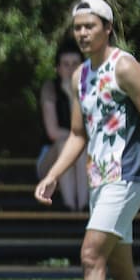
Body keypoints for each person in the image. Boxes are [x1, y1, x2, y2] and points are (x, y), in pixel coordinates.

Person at [34, 0, 140, 280]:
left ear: (107, 28)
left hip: (127, 175)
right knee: (121, 266)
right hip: (99, 179)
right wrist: (53, 175)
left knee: (92, 254)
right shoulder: (80, 76)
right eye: (77, 27)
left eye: (90, 26)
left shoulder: (125, 67)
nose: (83, 33)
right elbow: (77, 134)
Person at [37, 39, 87, 211]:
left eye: (75, 64)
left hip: (83, 155)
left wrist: (73, 94)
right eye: (66, 64)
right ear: (58, 68)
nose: (71, 69)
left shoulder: (91, 89)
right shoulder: (49, 89)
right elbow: (53, 132)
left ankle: (81, 207)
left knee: (79, 147)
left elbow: (86, 130)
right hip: (50, 159)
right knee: (66, 144)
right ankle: (70, 208)